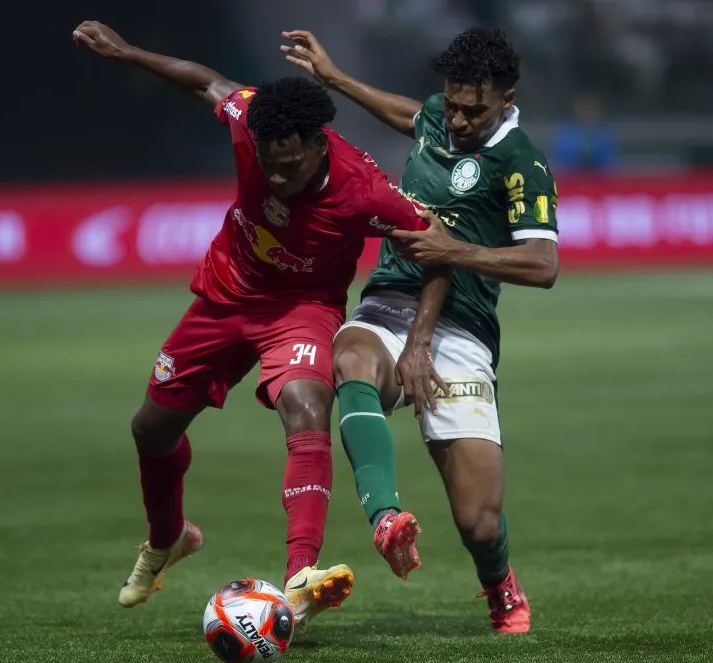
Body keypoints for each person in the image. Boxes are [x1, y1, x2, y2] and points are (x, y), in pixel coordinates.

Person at [72, 20, 451, 631]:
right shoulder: (252, 120)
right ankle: (167, 537)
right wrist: (127, 52)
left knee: (306, 405)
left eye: (290, 166)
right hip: (225, 295)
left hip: (302, 308)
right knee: (151, 430)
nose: (277, 178)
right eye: (269, 165)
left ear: (318, 145)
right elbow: (207, 82)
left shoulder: (364, 191)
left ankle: (300, 574)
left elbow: (440, 245)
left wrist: (420, 341)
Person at [281, 26, 559, 633]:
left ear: (506, 102)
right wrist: (334, 78)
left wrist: (454, 251)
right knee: (349, 358)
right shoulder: (440, 115)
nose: (456, 120)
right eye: (451, 104)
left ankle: (500, 584)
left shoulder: (522, 164)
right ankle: (386, 520)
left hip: (462, 328)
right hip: (389, 302)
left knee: (479, 523)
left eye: (472, 111)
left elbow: (543, 265)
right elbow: (412, 113)